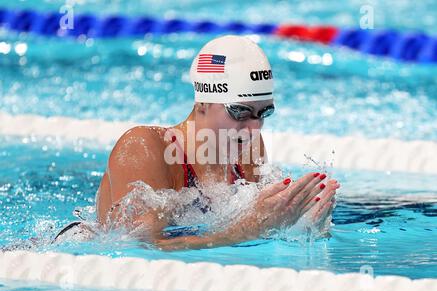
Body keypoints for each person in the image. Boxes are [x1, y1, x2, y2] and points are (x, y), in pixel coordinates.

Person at [56, 35, 340, 250]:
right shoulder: (145, 147)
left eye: (263, 113)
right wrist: (244, 231)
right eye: (239, 111)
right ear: (203, 102)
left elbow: (258, 233)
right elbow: (136, 249)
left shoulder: (248, 149)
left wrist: (303, 227)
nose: (253, 128)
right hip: (69, 253)